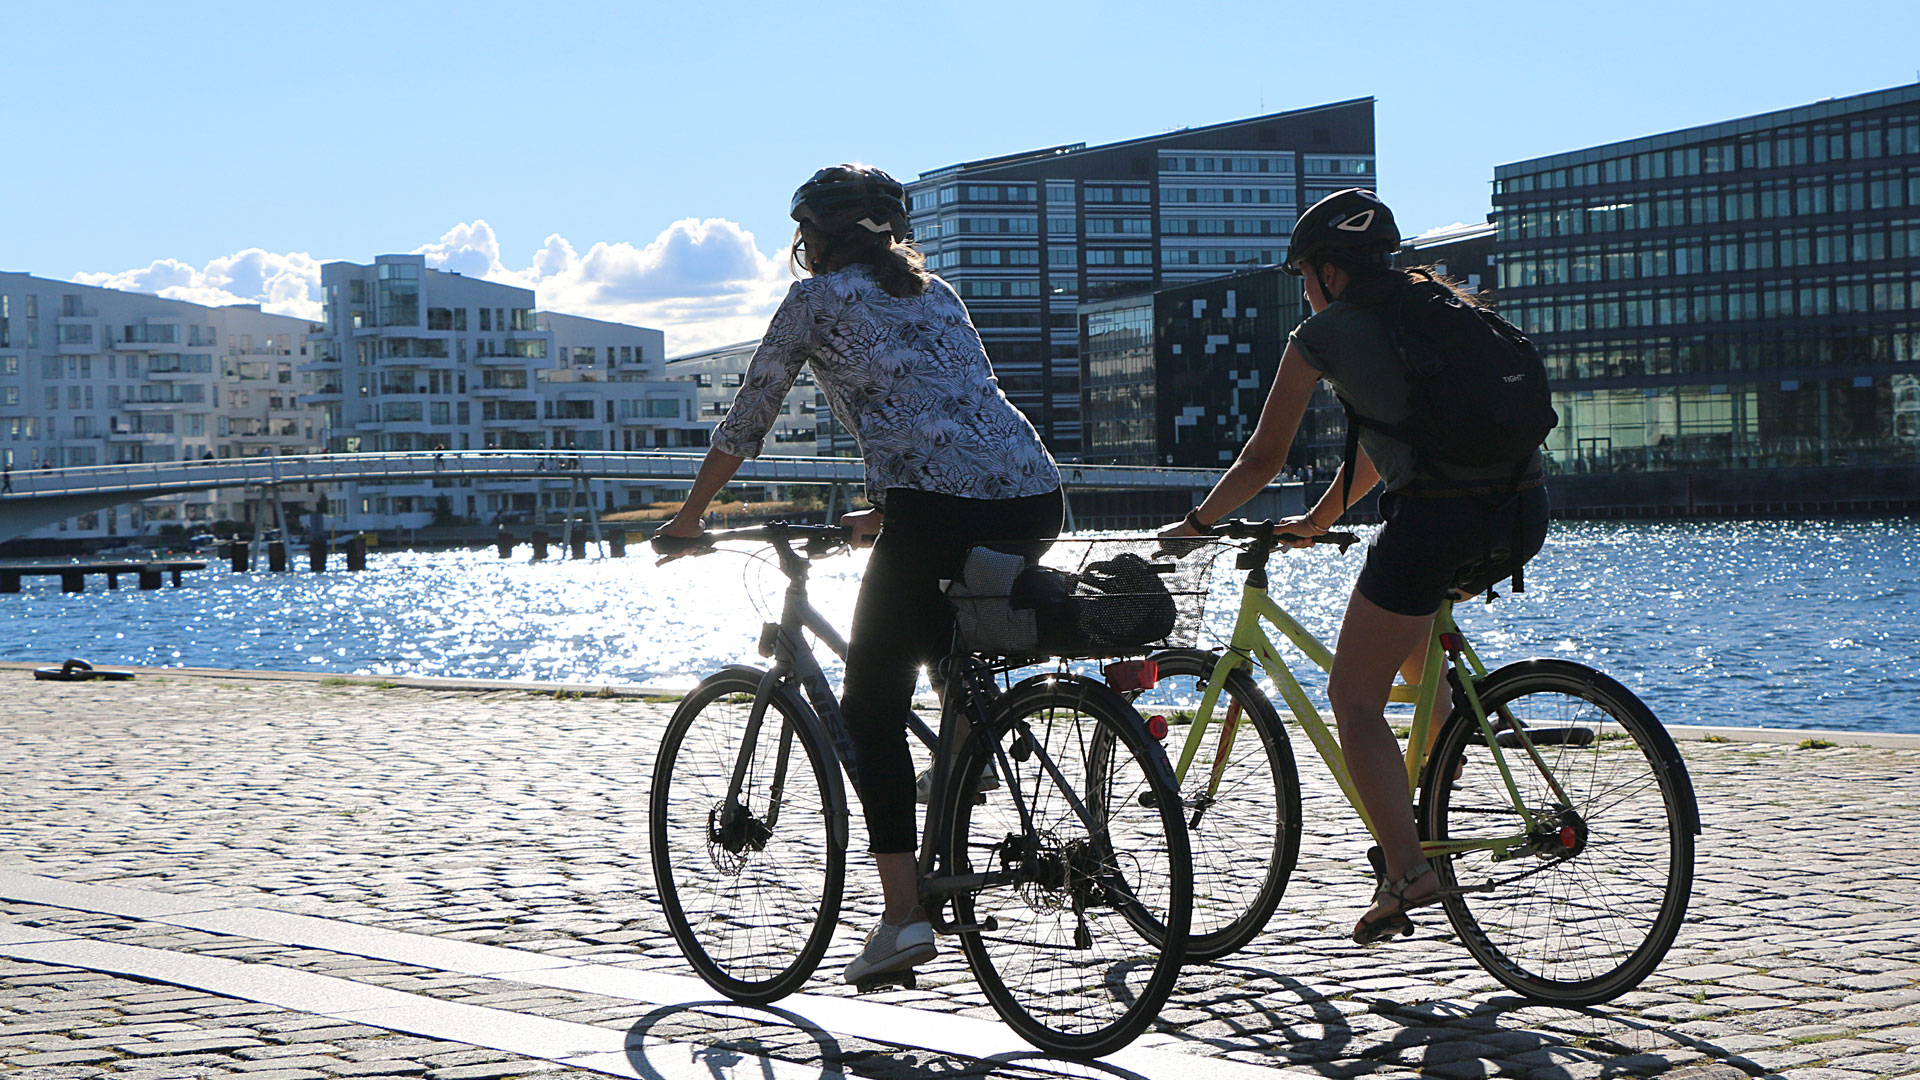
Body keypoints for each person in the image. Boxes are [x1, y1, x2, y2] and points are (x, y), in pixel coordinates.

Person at [654, 164, 1063, 984]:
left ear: (818, 237)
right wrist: (883, 516)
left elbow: (749, 418)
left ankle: (905, 917)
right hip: (1034, 496)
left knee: (870, 704)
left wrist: (690, 518)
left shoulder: (815, 300)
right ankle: (969, 759)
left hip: (936, 509)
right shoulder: (938, 294)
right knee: (948, 649)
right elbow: (958, 410)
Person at [1159, 188, 1549, 945]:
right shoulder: (1439, 305)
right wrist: (1320, 520)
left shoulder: (1324, 333)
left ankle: (1408, 868)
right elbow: (1394, 440)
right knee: (1410, 642)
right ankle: (1435, 787)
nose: (1305, 287)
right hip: (1520, 511)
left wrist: (1199, 523)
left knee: (1351, 696)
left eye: (1305, 272)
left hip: (1434, 522)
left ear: (1328, 272)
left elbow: (1263, 457)